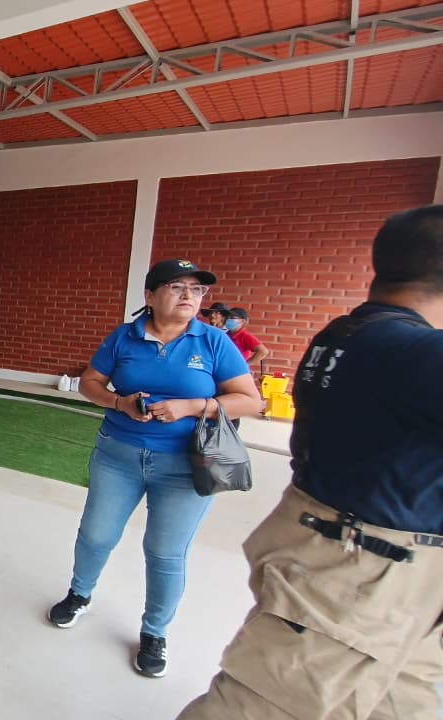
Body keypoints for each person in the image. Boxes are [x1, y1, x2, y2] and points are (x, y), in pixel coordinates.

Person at [179, 206, 443, 719]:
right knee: (260, 706)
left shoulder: (353, 334)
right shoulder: (413, 351)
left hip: (374, 566)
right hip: (357, 568)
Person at [46, 258, 258, 678]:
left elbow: (250, 400)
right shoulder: (123, 337)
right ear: (150, 295)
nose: (189, 296)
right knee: (96, 535)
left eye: (197, 290)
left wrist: (193, 406)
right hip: (118, 456)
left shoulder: (213, 341)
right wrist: (118, 402)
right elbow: (90, 382)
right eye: (177, 287)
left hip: (186, 466)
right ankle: (79, 594)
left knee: (165, 552)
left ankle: (154, 632)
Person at [225, 306, 269, 373]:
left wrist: (245, 365)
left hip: (238, 372)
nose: (229, 320)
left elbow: (263, 351)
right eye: (228, 318)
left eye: (232, 318)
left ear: (242, 321)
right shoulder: (226, 334)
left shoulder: (245, 336)